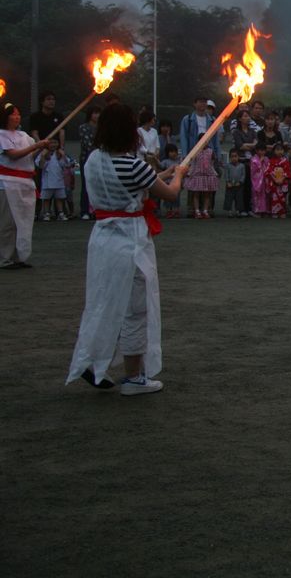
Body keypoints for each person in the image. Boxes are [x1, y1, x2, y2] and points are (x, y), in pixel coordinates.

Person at [65, 103, 188, 395]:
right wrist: (180, 173)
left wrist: (165, 172)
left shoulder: (94, 159)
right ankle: (134, 377)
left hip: (103, 237)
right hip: (130, 240)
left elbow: (144, 181)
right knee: (136, 309)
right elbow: (169, 193)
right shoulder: (134, 166)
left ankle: (90, 360)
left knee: (100, 302)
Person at [1, 103, 52, 268]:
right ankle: (4, 258)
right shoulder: (1, 135)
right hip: (7, 184)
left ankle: (18, 256)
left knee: (22, 222)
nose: (17, 117)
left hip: (25, 184)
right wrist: (36, 145)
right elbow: (13, 155)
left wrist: (41, 148)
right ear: (5, 117)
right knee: (7, 223)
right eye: (13, 114)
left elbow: (30, 156)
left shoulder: (24, 136)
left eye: (18, 114)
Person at [183, 131, 219, 219]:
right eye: (203, 140)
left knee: (207, 194)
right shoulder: (195, 151)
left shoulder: (211, 151)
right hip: (197, 174)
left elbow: (213, 161)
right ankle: (197, 211)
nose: (205, 142)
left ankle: (205, 210)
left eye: (206, 140)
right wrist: (189, 172)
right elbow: (191, 162)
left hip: (207, 175)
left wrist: (214, 171)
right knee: (196, 194)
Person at [36, 140, 74, 221]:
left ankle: (60, 213)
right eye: (51, 143)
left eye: (55, 143)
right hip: (47, 181)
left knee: (59, 198)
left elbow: (67, 165)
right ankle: (47, 213)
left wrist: (63, 155)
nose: (53, 145)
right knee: (46, 198)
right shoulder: (43, 154)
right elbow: (41, 166)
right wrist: (43, 156)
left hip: (59, 180)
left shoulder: (59, 154)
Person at [78, 107, 100, 220]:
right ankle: (85, 210)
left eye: (98, 113)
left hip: (100, 160)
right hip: (86, 159)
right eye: (95, 113)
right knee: (86, 185)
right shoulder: (83, 127)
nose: (97, 116)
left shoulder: (102, 128)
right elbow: (87, 144)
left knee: (98, 186)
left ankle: (96, 210)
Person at [265, 143, 291, 218]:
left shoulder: (285, 161)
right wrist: (275, 179)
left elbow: (287, 171)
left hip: (283, 182)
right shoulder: (271, 161)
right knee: (274, 197)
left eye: (281, 150)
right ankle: (274, 212)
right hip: (274, 182)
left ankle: (282, 211)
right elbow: (268, 171)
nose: (280, 152)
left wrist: (282, 179)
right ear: (274, 151)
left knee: (282, 198)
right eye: (277, 150)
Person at [158, 144, 181, 218]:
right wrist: (155, 159)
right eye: (171, 152)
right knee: (167, 198)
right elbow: (160, 166)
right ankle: (169, 211)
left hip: (176, 184)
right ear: (167, 153)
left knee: (177, 198)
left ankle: (176, 210)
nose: (173, 153)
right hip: (167, 183)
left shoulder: (179, 161)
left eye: (175, 151)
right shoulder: (165, 161)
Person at [223, 147, 246, 217]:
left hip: (239, 185)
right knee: (229, 198)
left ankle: (238, 211)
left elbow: (243, 175)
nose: (234, 158)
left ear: (238, 157)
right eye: (232, 157)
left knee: (239, 199)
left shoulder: (242, 166)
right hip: (230, 185)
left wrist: (240, 182)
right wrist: (228, 182)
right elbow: (226, 175)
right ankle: (229, 211)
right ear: (230, 157)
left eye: (235, 156)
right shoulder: (228, 166)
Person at [249, 142, 269, 216]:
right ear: (256, 151)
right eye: (260, 150)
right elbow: (253, 171)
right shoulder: (254, 159)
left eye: (263, 150)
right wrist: (260, 161)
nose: (261, 152)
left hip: (265, 181)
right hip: (257, 181)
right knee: (257, 195)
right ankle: (257, 211)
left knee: (265, 195)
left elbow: (268, 169)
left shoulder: (267, 159)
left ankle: (265, 210)